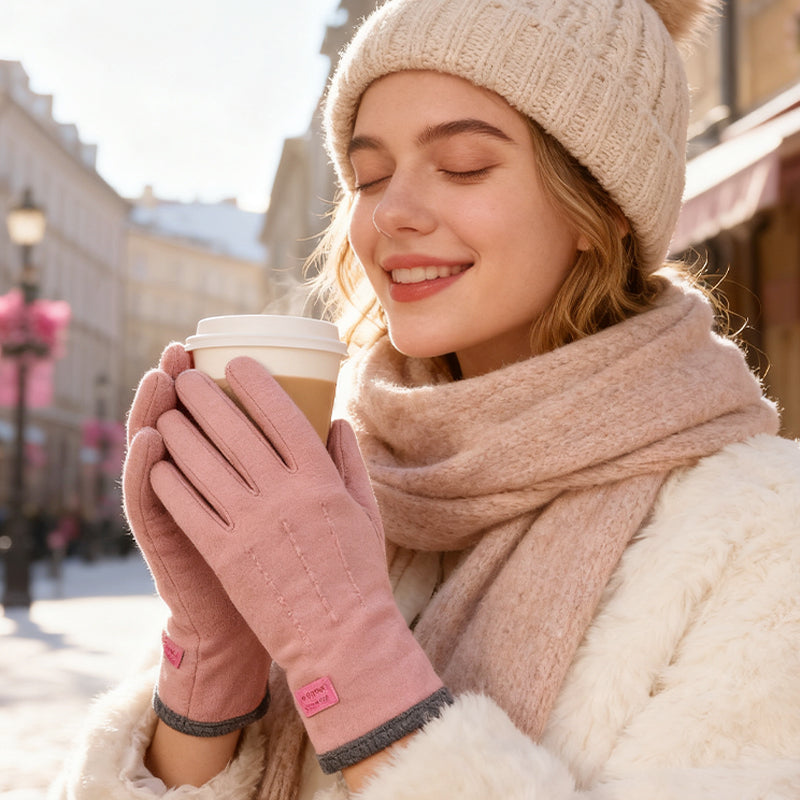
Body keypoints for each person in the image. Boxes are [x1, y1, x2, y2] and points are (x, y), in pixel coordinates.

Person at [52, 0, 800, 798]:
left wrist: (349, 654)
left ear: (604, 206)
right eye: (369, 177)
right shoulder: (325, 493)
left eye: (465, 164)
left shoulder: (762, 532)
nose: (391, 214)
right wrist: (210, 660)